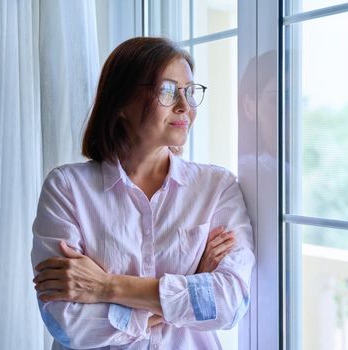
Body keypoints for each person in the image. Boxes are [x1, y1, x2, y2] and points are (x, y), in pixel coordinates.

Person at [31, 37, 255, 350]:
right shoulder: (67, 188)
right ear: (120, 102)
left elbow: (230, 303)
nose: (184, 106)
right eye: (166, 90)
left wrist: (106, 286)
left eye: (190, 91)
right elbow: (67, 324)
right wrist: (189, 290)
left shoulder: (217, 187)